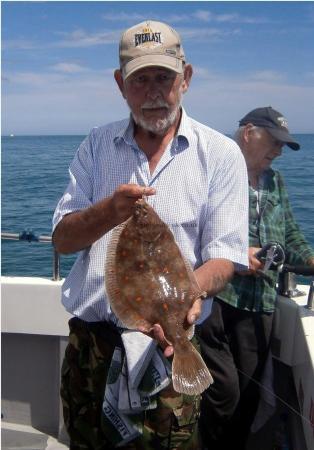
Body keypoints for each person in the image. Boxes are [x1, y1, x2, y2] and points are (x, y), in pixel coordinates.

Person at [52, 20, 249, 450]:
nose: (153, 91)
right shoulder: (95, 146)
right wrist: (110, 211)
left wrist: (186, 295)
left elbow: (225, 256)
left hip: (170, 350)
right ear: (120, 84)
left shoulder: (220, 155)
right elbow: (63, 240)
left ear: (187, 78)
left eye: (164, 77)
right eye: (140, 80)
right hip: (93, 351)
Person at [197, 106, 314, 450]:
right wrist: (235, 255)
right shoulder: (214, 169)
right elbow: (190, 231)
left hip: (259, 301)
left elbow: (290, 233)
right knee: (221, 391)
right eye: (274, 142)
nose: (278, 152)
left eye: (282, 146)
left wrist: (309, 258)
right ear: (249, 133)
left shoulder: (275, 180)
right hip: (217, 298)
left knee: (248, 396)